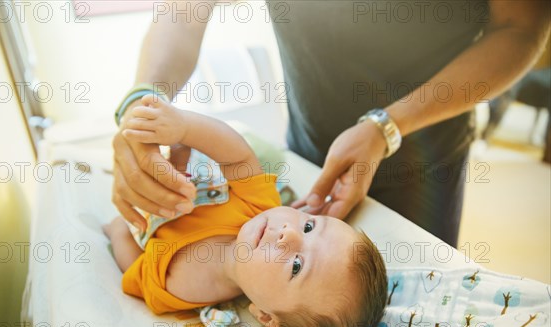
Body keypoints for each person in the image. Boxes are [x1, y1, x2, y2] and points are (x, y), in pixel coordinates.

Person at [111, 1, 550, 248]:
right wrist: (143, 105)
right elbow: (186, 10)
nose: (284, 243)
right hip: (308, 142)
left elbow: (522, 28)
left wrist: (388, 127)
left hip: (422, 154)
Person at [104, 94, 388, 327]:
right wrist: (184, 128)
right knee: (262, 157)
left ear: (266, 317)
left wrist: (120, 231)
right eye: (309, 227)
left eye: (297, 266)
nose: (288, 234)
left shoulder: (184, 289)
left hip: (152, 194)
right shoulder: (261, 207)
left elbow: (136, 271)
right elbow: (235, 153)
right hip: (194, 162)